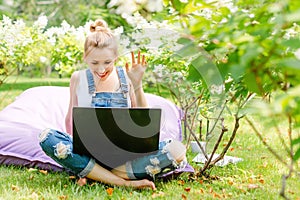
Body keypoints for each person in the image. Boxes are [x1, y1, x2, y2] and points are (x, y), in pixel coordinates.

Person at [39, 19, 187, 190]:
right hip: (90, 155)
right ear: (85, 57)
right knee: (47, 137)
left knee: (177, 149)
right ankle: (122, 181)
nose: (101, 70)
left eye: (107, 63)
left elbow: (144, 122)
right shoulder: (77, 78)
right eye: (95, 63)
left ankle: (96, 175)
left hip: (126, 157)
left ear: (116, 58)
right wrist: (78, 146)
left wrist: (138, 85)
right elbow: (69, 122)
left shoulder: (127, 78)